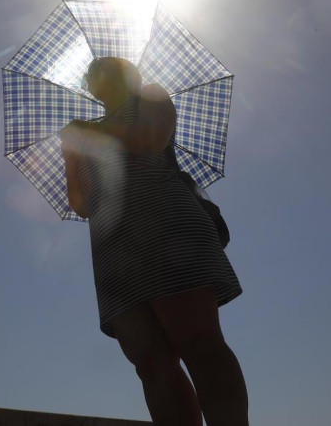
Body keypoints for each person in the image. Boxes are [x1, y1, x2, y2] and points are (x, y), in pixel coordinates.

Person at [60, 57, 247, 426]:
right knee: (150, 363)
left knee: (198, 341)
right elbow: (80, 204)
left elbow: (151, 138)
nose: (94, 77)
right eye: (91, 74)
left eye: (104, 69)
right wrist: (70, 153)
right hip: (112, 247)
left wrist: (89, 134)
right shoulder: (85, 130)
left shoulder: (150, 97)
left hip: (166, 226)